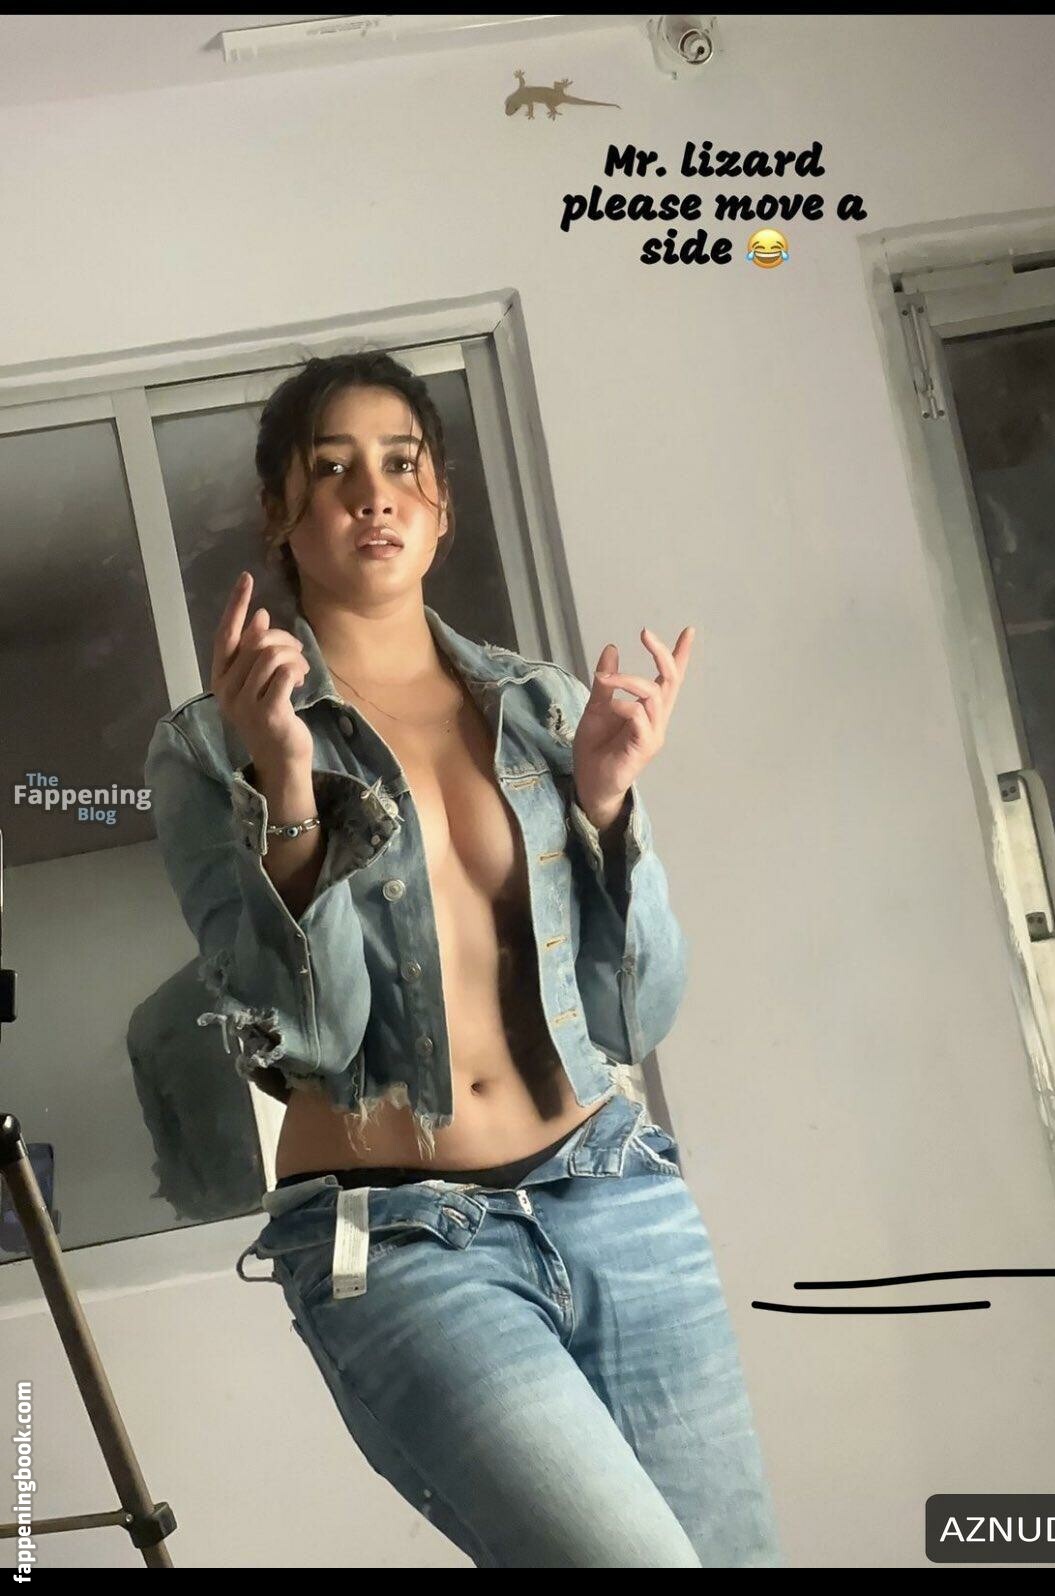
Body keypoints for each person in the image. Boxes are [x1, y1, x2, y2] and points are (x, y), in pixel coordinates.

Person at [143, 350, 783, 1568]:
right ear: (280, 511)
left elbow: (637, 1014)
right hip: (396, 1241)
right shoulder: (206, 749)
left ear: (442, 505)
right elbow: (308, 1040)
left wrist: (606, 806)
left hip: (613, 1186)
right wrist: (286, 781)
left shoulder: (544, 707)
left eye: (402, 465)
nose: (372, 494)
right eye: (332, 468)